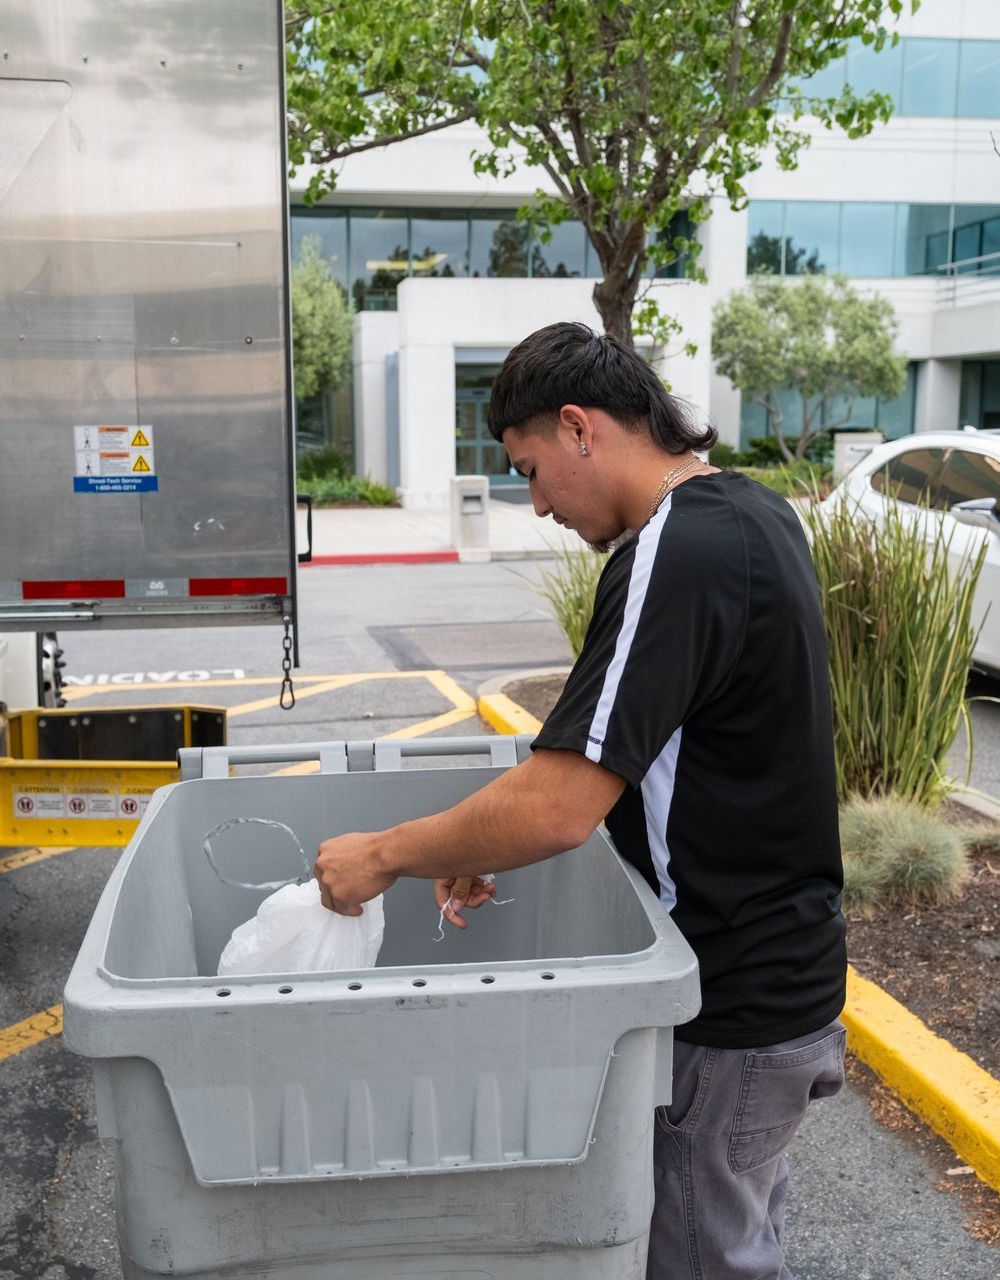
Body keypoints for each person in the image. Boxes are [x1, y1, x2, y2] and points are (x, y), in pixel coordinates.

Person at [314, 322, 847, 1280]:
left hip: (724, 1008)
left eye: (529, 469)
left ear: (578, 428)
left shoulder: (670, 553)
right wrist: (472, 841)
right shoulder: (757, 514)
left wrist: (387, 854)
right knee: (737, 1245)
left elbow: (560, 801)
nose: (535, 504)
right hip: (783, 988)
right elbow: (646, 754)